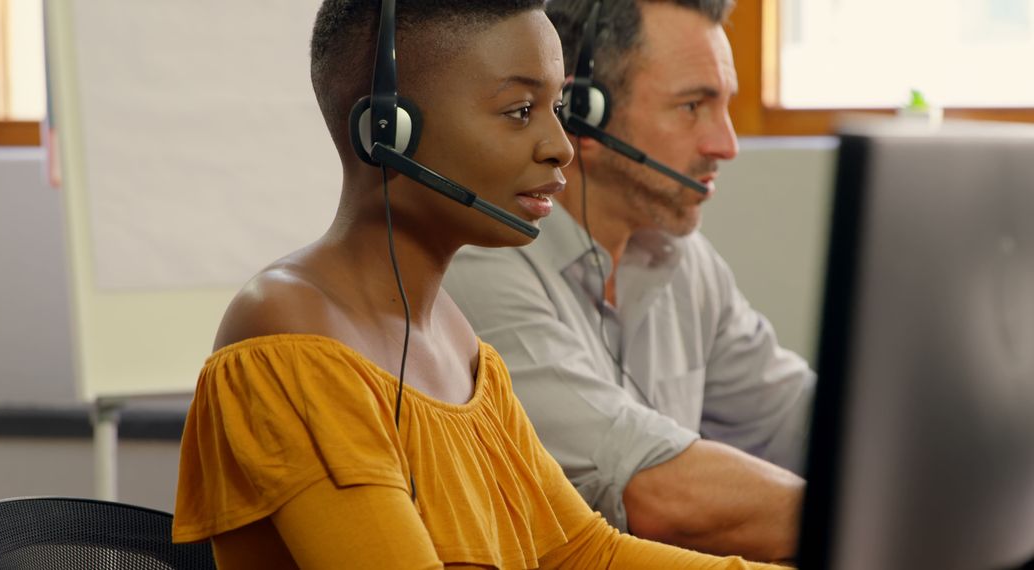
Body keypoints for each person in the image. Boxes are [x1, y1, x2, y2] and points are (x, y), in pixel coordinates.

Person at [170, 1, 789, 568]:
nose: (559, 148)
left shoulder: (463, 349)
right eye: (520, 111)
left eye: (555, 110)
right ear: (390, 131)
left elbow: (580, 552)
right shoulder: (291, 335)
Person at [443, 0, 814, 562]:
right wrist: (889, 525)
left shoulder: (682, 259)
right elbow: (657, 495)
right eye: (693, 106)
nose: (727, 145)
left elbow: (798, 419)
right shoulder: (480, 264)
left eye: (725, 106)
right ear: (581, 115)